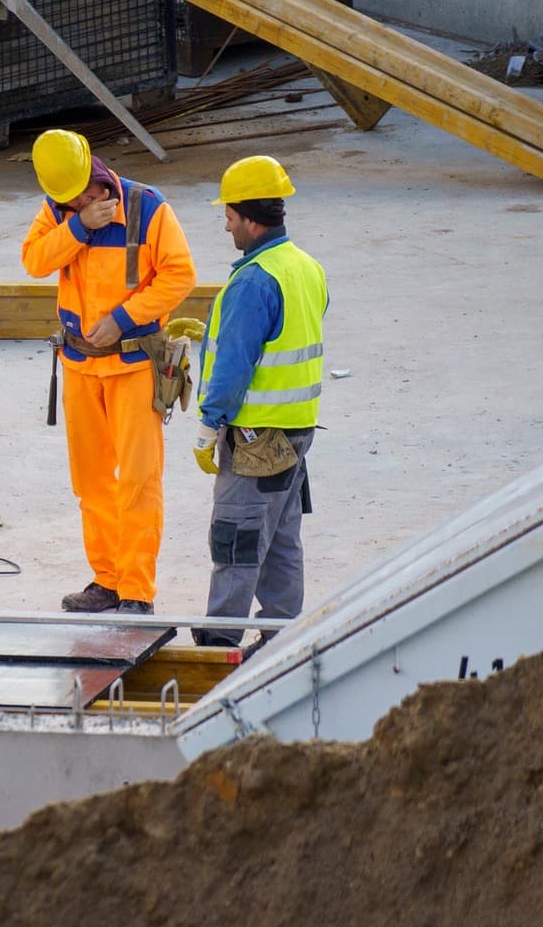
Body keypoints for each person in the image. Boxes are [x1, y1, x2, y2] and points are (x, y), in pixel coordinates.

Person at [22, 129, 196, 615]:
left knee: (139, 479)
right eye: (67, 199)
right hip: (79, 367)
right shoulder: (59, 211)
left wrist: (122, 319)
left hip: (135, 365)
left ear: (96, 173)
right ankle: (107, 580)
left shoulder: (148, 207)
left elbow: (180, 275)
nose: (79, 201)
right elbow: (34, 261)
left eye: (84, 194)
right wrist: (78, 226)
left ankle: (137, 591)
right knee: (92, 482)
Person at [190, 155, 327, 649]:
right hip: (297, 432)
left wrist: (209, 426)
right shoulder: (306, 267)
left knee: (237, 537)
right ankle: (281, 634)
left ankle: (220, 640)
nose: (226, 226)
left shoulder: (252, 280)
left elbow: (234, 368)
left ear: (250, 218)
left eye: (228, 216)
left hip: (256, 437)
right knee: (282, 538)